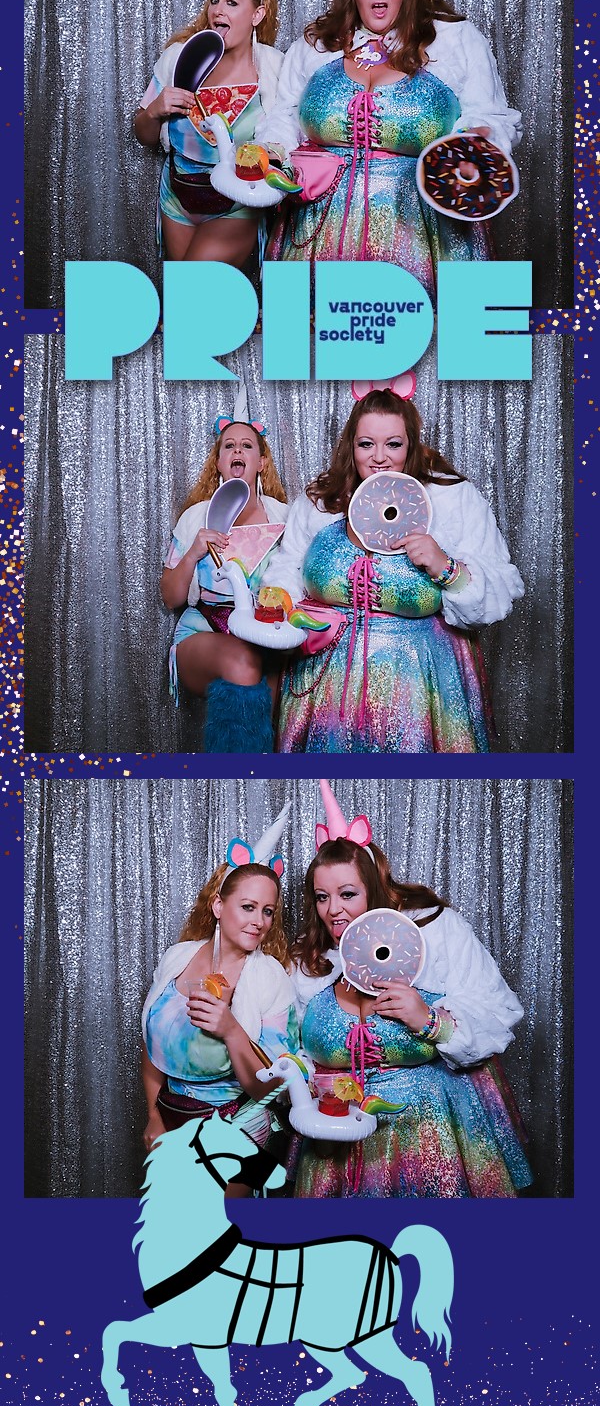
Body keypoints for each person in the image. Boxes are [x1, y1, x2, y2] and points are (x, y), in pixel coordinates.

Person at [258, 0, 521, 296]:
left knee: (428, 332)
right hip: (316, 231)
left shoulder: (453, 40)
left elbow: (489, 117)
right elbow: (285, 115)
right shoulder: (316, 46)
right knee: (315, 332)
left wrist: (475, 144)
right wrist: (271, 154)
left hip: (424, 234)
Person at [290, 782, 533, 1199]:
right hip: (336, 1140)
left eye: (347, 894)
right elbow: (291, 1044)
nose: (333, 910)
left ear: (373, 888)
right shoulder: (310, 960)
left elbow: (497, 1011)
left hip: (432, 1134)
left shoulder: (434, 930)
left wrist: (430, 1020)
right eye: (322, 897)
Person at [262, 382, 523, 753]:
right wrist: (278, 599)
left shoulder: (452, 498)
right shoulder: (322, 500)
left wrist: (446, 567)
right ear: (351, 446)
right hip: (324, 684)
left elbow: (498, 588)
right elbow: (289, 563)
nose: (379, 457)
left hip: (423, 684)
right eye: (366, 444)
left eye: (394, 444)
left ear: (411, 446)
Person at [141, 802, 298, 1194]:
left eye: (267, 911)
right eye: (248, 907)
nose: (259, 921)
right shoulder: (177, 958)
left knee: (220, 1225)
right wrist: (154, 1116)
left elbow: (271, 1089)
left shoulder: (270, 978)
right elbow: (151, 1045)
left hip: (236, 1129)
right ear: (218, 905)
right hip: (171, 1120)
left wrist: (231, 1030)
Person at [135, 0, 284, 269]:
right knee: (184, 295)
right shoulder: (179, 58)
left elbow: (289, 139)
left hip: (237, 204)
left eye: (232, 2)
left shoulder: (275, 69)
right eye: (215, 0)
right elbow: (143, 134)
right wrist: (154, 110)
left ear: (257, 14)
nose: (219, 10)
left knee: (193, 286)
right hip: (178, 199)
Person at [161, 387, 288, 752]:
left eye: (247, 446)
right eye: (229, 446)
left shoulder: (284, 517)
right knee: (244, 663)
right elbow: (170, 598)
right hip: (203, 630)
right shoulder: (196, 517)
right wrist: (193, 553)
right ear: (218, 462)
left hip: (265, 636)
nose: (237, 451)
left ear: (261, 462)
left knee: (282, 676)